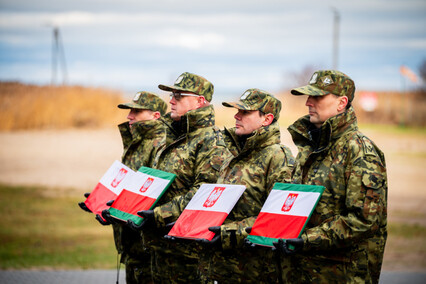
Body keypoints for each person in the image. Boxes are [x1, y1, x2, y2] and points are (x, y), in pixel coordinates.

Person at [274, 70, 388, 284]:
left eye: (317, 97)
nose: (308, 102)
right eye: (309, 96)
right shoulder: (312, 149)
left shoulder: (359, 151)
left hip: (340, 274)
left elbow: (363, 221)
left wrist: (306, 240)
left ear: (341, 103)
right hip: (303, 271)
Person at [136, 72, 232, 282]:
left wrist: (159, 214)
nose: (171, 101)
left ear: (200, 101)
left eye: (179, 96)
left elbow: (204, 192)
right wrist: (127, 207)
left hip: (189, 254)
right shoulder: (171, 136)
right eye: (171, 95)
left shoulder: (211, 141)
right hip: (160, 247)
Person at [198, 88, 294, 283]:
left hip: (255, 271)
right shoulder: (233, 153)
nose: (236, 116)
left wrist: (229, 232)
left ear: (266, 119)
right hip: (223, 267)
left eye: (245, 112)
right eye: (237, 111)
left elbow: (278, 217)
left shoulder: (277, 157)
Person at [82, 91, 167, 284]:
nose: (129, 115)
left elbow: (154, 194)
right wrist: (104, 203)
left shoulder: (161, 146)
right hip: (131, 243)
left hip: (148, 246)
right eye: (130, 111)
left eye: (137, 111)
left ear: (156, 115)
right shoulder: (136, 144)